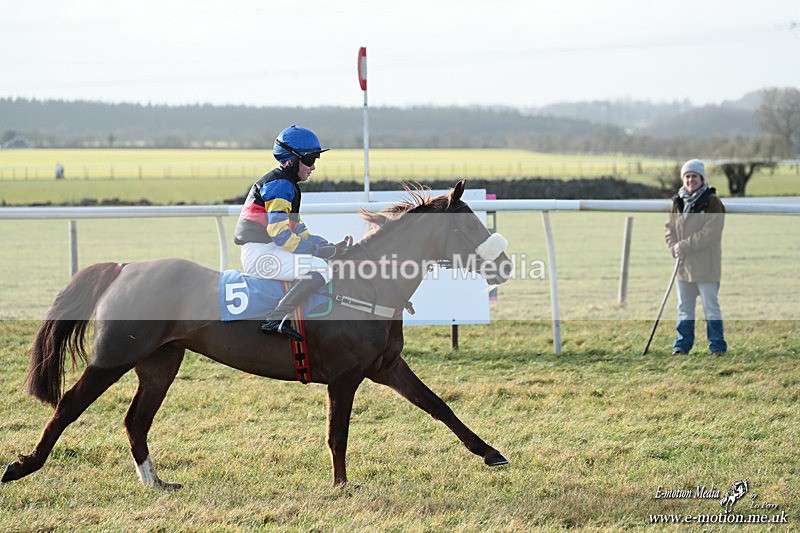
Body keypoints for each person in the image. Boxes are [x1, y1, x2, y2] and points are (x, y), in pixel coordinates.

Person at [234, 125, 350, 341]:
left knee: (322, 260)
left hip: (267, 250)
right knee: (320, 268)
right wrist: (319, 252)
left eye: (315, 159)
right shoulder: (280, 186)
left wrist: (330, 247)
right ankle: (275, 319)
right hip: (260, 255)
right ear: (292, 160)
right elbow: (281, 236)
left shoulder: (286, 184)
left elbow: (300, 232)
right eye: (310, 159)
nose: (313, 166)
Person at [664, 159, 727, 356]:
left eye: (694, 176)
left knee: (710, 308)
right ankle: (681, 347)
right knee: (684, 308)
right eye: (687, 176)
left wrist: (684, 245)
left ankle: (717, 347)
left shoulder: (712, 202)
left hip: (706, 266)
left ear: (702, 178)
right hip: (683, 266)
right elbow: (669, 229)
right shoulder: (678, 202)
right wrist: (673, 248)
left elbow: (711, 233)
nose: (691, 180)